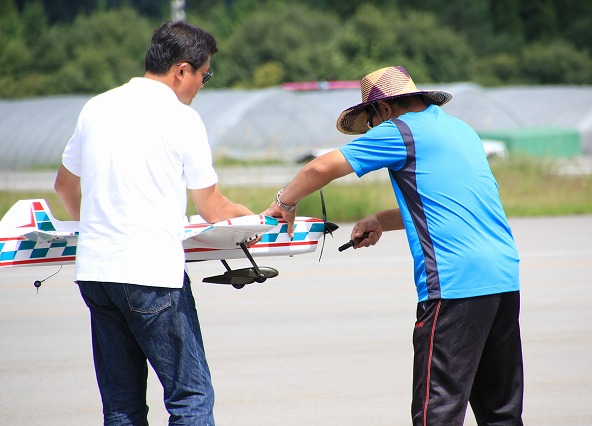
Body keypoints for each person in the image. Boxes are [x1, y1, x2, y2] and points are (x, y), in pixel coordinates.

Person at [263, 65, 524, 425]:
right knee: (501, 413)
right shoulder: (460, 129)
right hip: (503, 278)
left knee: (437, 412)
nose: (373, 130)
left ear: (384, 109)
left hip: (454, 283)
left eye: (371, 122)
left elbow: (319, 168)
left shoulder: (400, 129)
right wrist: (380, 220)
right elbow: (448, 203)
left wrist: (284, 203)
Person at [54, 21, 253, 425]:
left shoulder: (97, 107)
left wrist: (96, 228)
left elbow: (64, 185)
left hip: (96, 272)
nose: (202, 85)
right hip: (151, 275)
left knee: (122, 405)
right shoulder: (182, 118)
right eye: (204, 75)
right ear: (182, 70)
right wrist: (255, 217)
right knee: (190, 396)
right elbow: (212, 208)